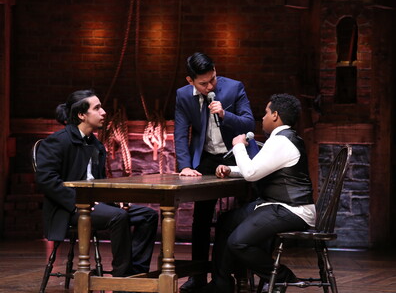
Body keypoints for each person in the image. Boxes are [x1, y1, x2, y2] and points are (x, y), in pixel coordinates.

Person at [35, 89, 158, 282]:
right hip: (67, 209)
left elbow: (97, 182)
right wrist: (76, 202)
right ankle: (122, 278)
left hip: (95, 205)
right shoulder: (58, 141)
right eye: (97, 108)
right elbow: (46, 179)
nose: (104, 113)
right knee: (119, 217)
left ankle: (136, 273)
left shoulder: (96, 145)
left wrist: (114, 200)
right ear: (81, 115)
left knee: (148, 215)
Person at [199, 93, 316, 293]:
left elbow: (252, 173)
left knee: (238, 242)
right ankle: (222, 283)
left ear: (275, 115)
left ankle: (281, 276)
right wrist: (231, 170)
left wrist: (237, 147)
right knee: (226, 221)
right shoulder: (280, 139)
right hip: (275, 205)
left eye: (265, 113)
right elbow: (257, 167)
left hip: (293, 210)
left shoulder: (282, 141)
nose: (262, 117)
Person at [174, 52, 255, 292]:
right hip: (207, 158)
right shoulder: (182, 96)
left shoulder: (234, 88)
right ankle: (198, 276)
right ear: (190, 81)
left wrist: (224, 114)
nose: (209, 85)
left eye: (212, 79)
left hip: (236, 156)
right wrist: (185, 166)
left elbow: (249, 124)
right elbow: (180, 133)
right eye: (203, 83)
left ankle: (237, 275)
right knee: (201, 218)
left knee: (242, 217)